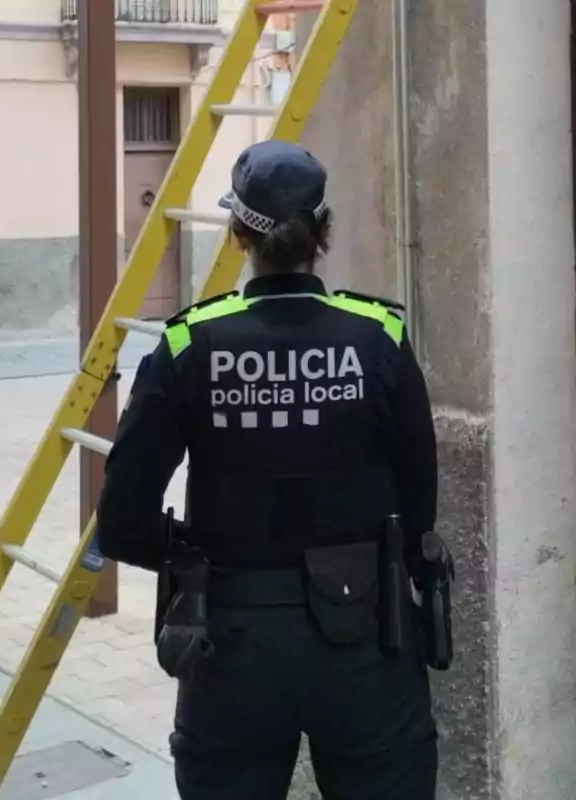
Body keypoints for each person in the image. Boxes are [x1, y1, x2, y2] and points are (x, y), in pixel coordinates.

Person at [94, 139, 440, 799]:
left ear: (236, 235)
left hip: (230, 643)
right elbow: (419, 502)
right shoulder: (379, 337)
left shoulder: (189, 342)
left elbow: (123, 520)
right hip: (368, 639)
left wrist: (190, 553)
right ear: (324, 232)